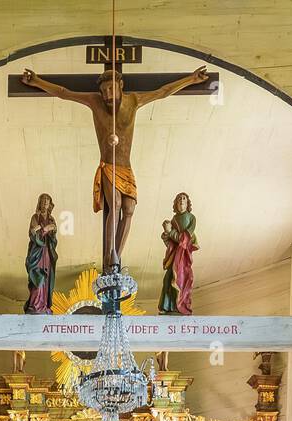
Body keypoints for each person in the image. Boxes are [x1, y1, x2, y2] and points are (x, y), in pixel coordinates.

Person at [21, 65, 208, 268]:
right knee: (116, 204)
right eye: (104, 91)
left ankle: (116, 256)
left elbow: (162, 92)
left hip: (126, 168)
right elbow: (65, 93)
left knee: (129, 209)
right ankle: (110, 256)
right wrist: (37, 81)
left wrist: (191, 79)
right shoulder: (95, 102)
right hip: (108, 166)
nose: (108, 94)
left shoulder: (134, 100)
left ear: (121, 85)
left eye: (112, 88)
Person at [159, 193, 198, 315]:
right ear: (175, 204)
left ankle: (181, 305)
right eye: (179, 199)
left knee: (181, 278)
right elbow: (171, 244)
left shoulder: (191, 218)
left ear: (187, 204)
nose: (181, 201)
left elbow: (185, 238)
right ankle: (168, 306)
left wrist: (170, 232)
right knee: (168, 279)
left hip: (184, 255)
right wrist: (166, 234)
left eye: (184, 199)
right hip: (175, 255)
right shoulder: (174, 220)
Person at [23, 193, 57, 313]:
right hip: (37, 251)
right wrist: (42, 229)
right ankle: (34, 305)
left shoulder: (51, 219)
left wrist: (49, 229)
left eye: (47, 201)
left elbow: (54, 230)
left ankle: (43, 304)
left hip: (47, 251)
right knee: (37, 277)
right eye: (43, 201)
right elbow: (32, 232)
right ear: (40, 203)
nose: (45, 203)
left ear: (49, 205)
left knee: (46, 277)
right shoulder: (35, 217)